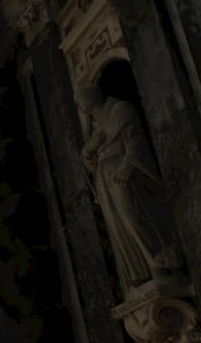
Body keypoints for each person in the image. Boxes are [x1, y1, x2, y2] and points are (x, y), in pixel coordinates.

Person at [78, 86, 182, 287]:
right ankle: (142, 271)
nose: (78, 103)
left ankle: (163, 260)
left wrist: (128, 165)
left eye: (80, 98)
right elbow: (88, 161)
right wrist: (88, 149)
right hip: (103, 177)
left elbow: (135, 139)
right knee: (118, 226)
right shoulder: (92, 125)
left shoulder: (120, 110)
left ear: (92, 96)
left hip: (121, 170)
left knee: (131, 213)